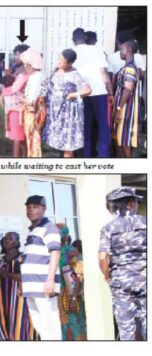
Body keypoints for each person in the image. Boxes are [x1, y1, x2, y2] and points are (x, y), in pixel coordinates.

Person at [99, 187, 147, 341]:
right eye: (136, 201)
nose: (138, 204)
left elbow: (102, 258)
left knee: (126, 330)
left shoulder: (108, 228)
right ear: (130, 204)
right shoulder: (146, 222)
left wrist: (107, 277)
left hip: (121, 284)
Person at [22, 195, 62, 340]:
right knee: (40, 326)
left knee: (50, 326)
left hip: (44, 286)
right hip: (31, 287)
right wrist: (23, 284)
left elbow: (55, 253)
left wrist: (50, 280)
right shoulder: (32, 230)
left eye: (35, 207)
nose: (31, 210)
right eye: (28, 207)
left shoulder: (49, 228)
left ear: (43, 209)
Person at [72, 28, 113, 158]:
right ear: (85, 37)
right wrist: (111, 93)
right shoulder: (96, 49)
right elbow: (104, 73)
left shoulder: (71, 52)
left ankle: (86, 157)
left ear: (73, 40)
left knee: (86, 128)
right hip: (99, 93)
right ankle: (102, 157)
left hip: (81, 94)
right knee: (103, 127)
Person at [43, 49, 92, 157]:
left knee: (68, 142)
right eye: (58, 59)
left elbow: (88, 90)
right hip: (56, 111)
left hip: (68, 113)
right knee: (59, 140)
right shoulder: (57, 70)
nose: (59, 62)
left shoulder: (74, 74)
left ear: (70, 63)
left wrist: (73, 95)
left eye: (62, 61)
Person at [0, 232, 38, 340]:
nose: (7, 240)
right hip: (4, 300)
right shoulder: (2, 261)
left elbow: (25, 277)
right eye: (6, 239)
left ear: (17, 242)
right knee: (5, 325)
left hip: (19, 300)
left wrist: (6, 274)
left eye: (11, 239)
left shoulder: (23, 258)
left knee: (19, 327)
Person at [112, 40, 144, 158]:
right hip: (123, 106)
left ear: (129, 51)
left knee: (124, 137)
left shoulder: (130, 69)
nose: (120, 52)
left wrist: (119, 108)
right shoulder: (128, 67)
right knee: (120, 136)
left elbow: (128, 89)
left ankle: (129, 165)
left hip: (126, 108)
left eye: (122, 50)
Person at [56, 225, 87, 340]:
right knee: (61, 328)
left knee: (76, 325)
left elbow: (80, 276)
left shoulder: (72, 252)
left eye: (59, 233)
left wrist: (74, 299)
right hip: (56, 297)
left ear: (66, 236)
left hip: (71, 295)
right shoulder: (52, 253)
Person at [0, 44, 30, 157]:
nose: (17, 58)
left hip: (20, 109)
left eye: (19, 55)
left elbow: (14, 88)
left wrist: (5, 90)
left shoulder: (26, 72)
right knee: (20, 138)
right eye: (16, 55)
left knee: (18, 138)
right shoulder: (17, 69)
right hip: (14, 109)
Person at [20, 48, 47, 157]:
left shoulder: (35, 78)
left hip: (32, 112)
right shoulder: (39, 75)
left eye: (24, 64)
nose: (24, 66)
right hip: (37, 111)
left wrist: (21, 99)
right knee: (33, 138)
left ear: (30, 64)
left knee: (33, 138)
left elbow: (31, 100)